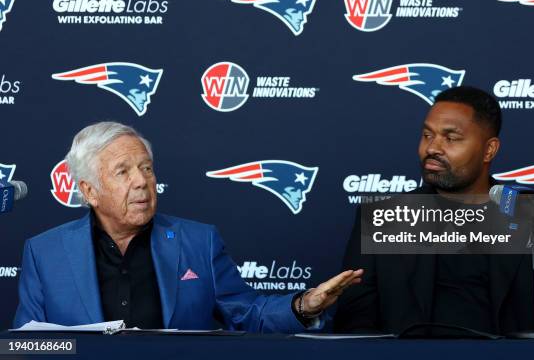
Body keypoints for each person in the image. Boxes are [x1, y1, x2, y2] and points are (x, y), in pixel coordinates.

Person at [14, 121, 362, 330]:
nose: (141, 182)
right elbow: (28, 343)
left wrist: (304, 305)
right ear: (89, 190)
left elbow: (246, 315)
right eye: (123, 171)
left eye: (147, 168)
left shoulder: (198, 241)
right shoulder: (45, 252)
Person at [334, 86, 534, 336]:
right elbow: (355, 326)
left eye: (450, 138)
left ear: (489, 150)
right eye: (427, 135)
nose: (432, 148)